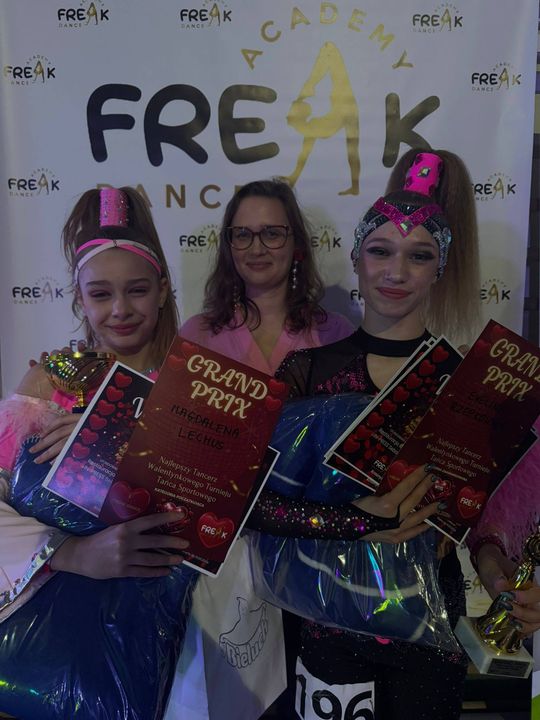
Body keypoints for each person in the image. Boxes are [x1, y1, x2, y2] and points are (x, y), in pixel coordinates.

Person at [255, 150, 482, 720]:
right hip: (327, 615)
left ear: (440, 268)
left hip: (430, 620)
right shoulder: (307, 373)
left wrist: (503, 569)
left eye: (419, 256)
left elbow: (485, 513)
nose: (395, 272)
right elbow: (253, 503)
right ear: (356, 258)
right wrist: (355, 521)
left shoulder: (465, 383)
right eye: (380, 251)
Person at [0, 187, 196, 718]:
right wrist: (71, 553)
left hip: (185, 642)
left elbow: (224, 504)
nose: (120, 310)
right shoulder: (48, 384)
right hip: (58, 645)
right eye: (101, 294)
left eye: (137, 290)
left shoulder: (195, 386)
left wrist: (121, 440)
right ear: (79, 298)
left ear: (162, 289)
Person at [175, 178, 354, 720]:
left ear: (296, 242)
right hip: (227, 559)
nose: (257, 247)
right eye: (243, 234)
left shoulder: (338, 334)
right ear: (228, 246)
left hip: (315, 556)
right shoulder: (199, 334)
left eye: (272, 233)